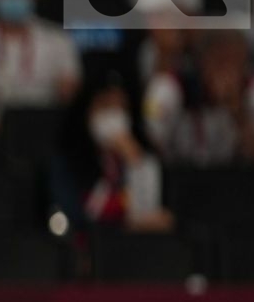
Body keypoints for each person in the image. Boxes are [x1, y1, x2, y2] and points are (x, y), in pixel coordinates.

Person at [142, 31, 254, 168]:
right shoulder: (169, 87)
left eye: (236, 62)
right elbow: (150, 147)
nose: (228, 72)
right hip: (179, 176)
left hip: (234, 179)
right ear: (202, 61)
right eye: (221, 62)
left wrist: (238, 114)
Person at [51, 79, 172, 233]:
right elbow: (77, 215)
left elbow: (152, 211)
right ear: (87, 110)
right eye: (105, 106)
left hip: (136, 249)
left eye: (121, 107)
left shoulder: (141, 158)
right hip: (89, 248)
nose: (114, 117)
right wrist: (128, 222)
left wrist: (136, 161)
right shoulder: (68, 159)